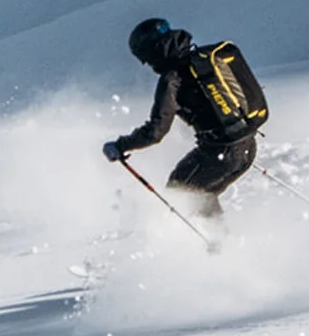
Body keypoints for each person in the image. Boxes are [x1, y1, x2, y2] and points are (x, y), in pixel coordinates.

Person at [103, 17, 262, 217]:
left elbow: (155, 131)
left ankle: (216, 242)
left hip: (220, 153)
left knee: (179, 195)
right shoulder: (203, 59)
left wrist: (121, 146)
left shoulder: (173, 79)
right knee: (201, 195)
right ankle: (221, 241)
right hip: (247, 144)